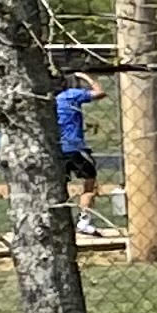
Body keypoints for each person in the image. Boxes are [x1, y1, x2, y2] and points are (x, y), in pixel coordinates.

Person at [54, 80, 101, 221]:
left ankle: (63, 218)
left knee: (61, 184)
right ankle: (84, 219)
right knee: (90, 181)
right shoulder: (69, 95)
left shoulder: (51, 100)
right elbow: (100, 92)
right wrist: (88, 78)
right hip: (75, 147)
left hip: (57, 148)